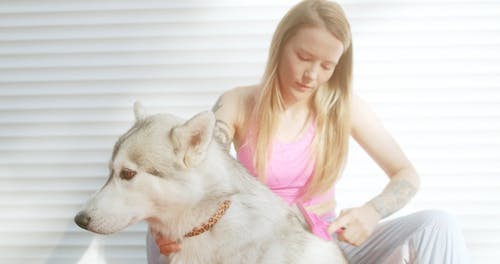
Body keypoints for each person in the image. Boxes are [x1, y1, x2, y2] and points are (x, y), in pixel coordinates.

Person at [147, 0, 470, 263]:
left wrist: (372, 212)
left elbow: (406, 174)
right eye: (303, 57)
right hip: (263, 245)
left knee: (438, 225)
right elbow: (197, 167)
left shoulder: (346, 108)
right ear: (280, 46)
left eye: (327, 66)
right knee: (156, 231)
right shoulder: (237, 103)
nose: (311, 75)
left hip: (328, 243)